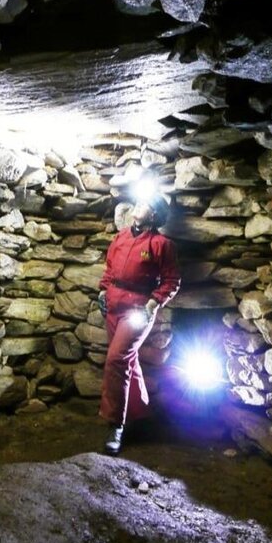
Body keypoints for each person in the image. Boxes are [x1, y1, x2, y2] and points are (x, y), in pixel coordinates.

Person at [97, 193, 181, 455]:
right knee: (127, 361)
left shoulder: (161, 244)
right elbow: (110, 269)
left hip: (138, 309)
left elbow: (171, 281)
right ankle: (138, 411)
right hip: (114, 305)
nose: (138, 205)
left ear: (154, 214)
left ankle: (115, 425)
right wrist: (103, 291)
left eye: (145, 203)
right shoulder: (121, 237)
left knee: (116, 360)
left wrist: (152, 305)